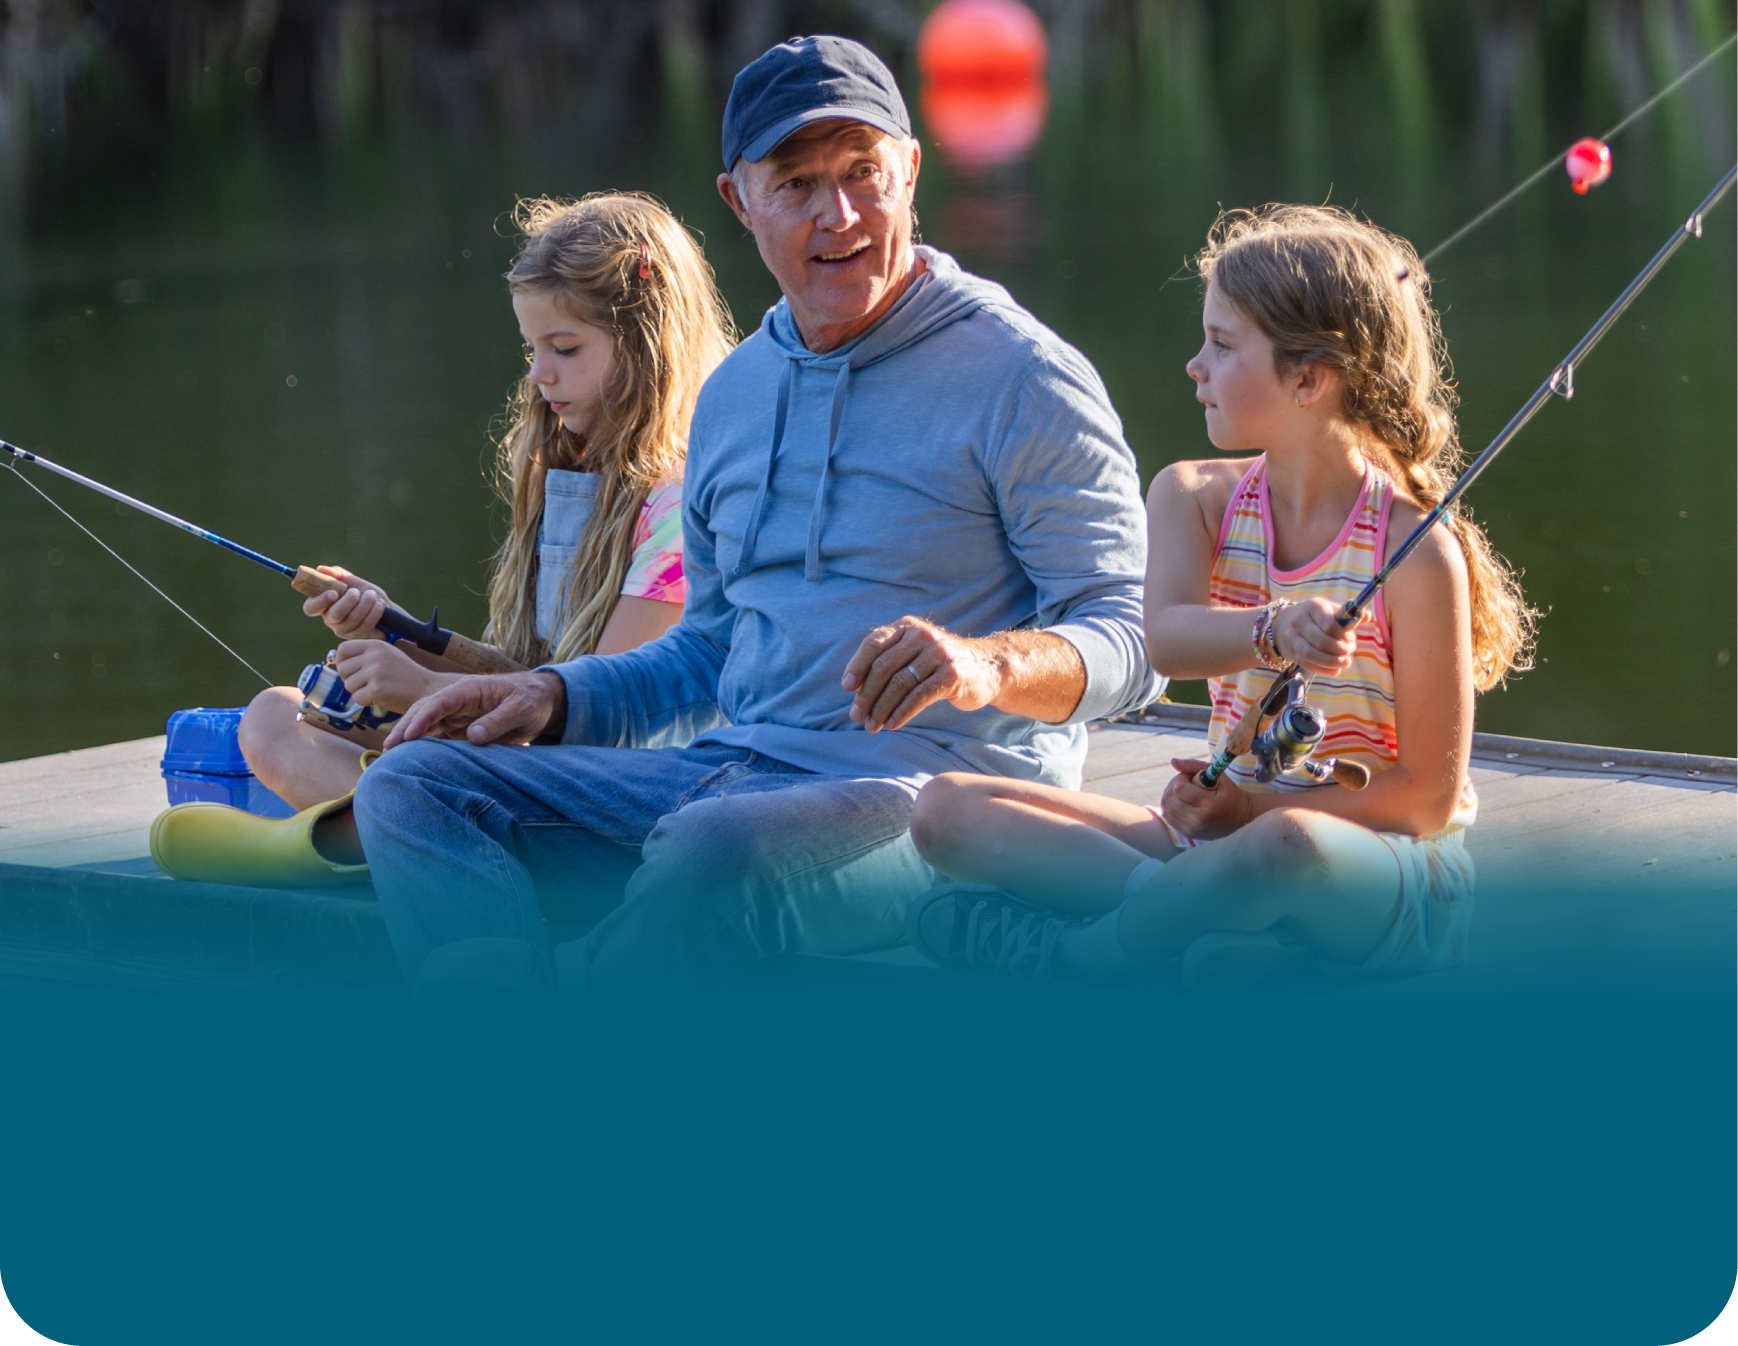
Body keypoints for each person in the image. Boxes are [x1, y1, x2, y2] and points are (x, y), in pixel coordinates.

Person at [334, 35, 1157, 997]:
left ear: (912, 169)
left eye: (863, 173)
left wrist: (988, 665)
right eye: (797, 184)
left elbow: (1127, 645)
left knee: (713, 852)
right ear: (740, 200)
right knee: (415, 786)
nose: (838, 214)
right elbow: (709, 654)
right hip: (728, 775)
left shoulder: (1025, 377)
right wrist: (556, 696)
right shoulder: (733, 394)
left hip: (931, 804)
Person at [905, 204, 1533, 992]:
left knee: (1290, 850)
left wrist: (1248, 817)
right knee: (945, 810)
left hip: (1376, 876)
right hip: (1218, 843)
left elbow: (1427, 804)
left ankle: (1086, 955)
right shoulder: (1192, 498)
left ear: (1307, 378)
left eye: (1223, 345)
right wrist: (1272, 632)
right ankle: (1194, 922)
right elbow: (1166, 642)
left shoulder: (1416, 553)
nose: (1194, 366)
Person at [150, 192, 734, 880]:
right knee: (274, 718)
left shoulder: (679, 506)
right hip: (536, 752)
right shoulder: (568, 475)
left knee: (416, 767)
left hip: (618, 793)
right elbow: (529, 677)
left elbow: (606, 717)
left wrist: (425, 690)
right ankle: (400, 836)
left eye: (565, 348)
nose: (538, 372)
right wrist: (393, 633)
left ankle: (344, 844)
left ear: (647, 345)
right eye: (531, 348)